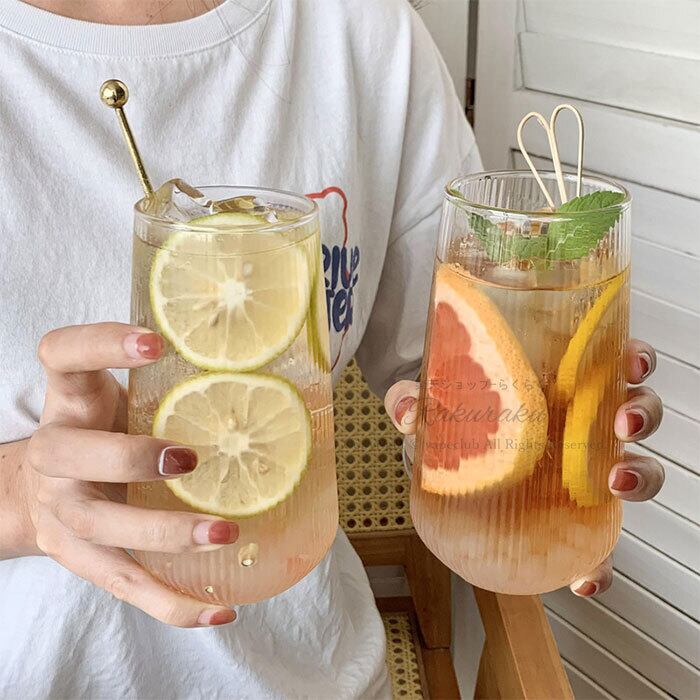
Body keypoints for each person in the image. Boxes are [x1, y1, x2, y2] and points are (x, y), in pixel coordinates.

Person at [0, 0, 665, 697]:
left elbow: (460, 359)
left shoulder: (363, 28)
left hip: (310, 662)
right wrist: (23, 495)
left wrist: (545, 431)